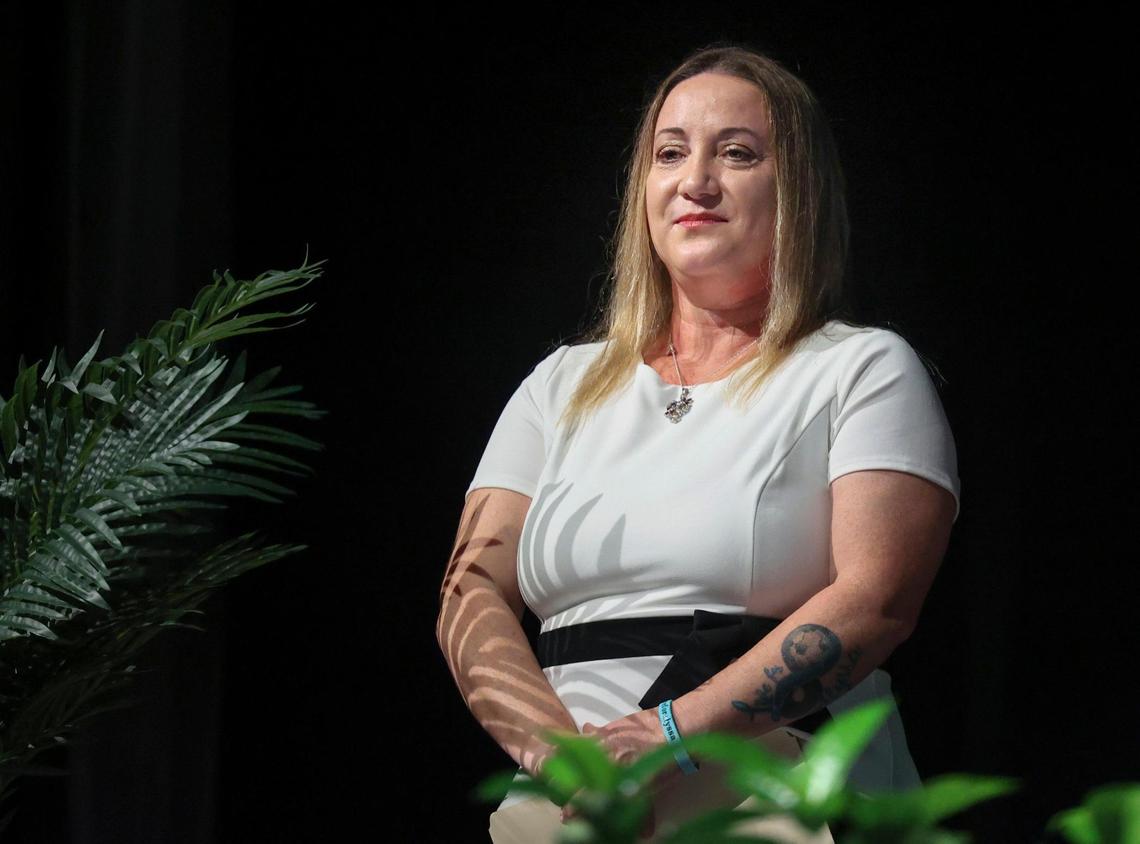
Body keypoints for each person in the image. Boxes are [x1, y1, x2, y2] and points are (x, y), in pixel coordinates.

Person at [436, 43, 960, 843]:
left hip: (773, 786)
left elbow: (877, 599)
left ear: (800, 191)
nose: (696, 181)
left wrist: (666, 738)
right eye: (670, 153)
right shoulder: (561, 384)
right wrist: (569, 762)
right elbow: (469, 596)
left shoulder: (859, 368)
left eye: (738, 154)